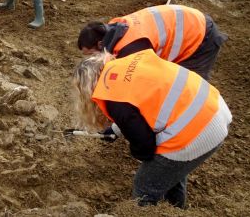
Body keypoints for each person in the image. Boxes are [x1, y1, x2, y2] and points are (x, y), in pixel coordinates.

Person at [71, 50, 232, 209]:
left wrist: (140, 155)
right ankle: (176, 208)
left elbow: (145, 145)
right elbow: (141, 102)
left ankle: (146, 211)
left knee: (145, 185)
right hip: (214, 108)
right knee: (170, 172)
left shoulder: (112, 98)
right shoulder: (128, 62)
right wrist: (116, 129)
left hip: (195, 131)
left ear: (87, 88)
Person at [77, 5, 227, 80]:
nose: (90, 59)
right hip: (188, 19)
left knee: (187, 84)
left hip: (201, 35)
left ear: (99, 44)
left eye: (90, 54)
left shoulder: (132, 48)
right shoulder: (115, 28)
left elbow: (146, 79)